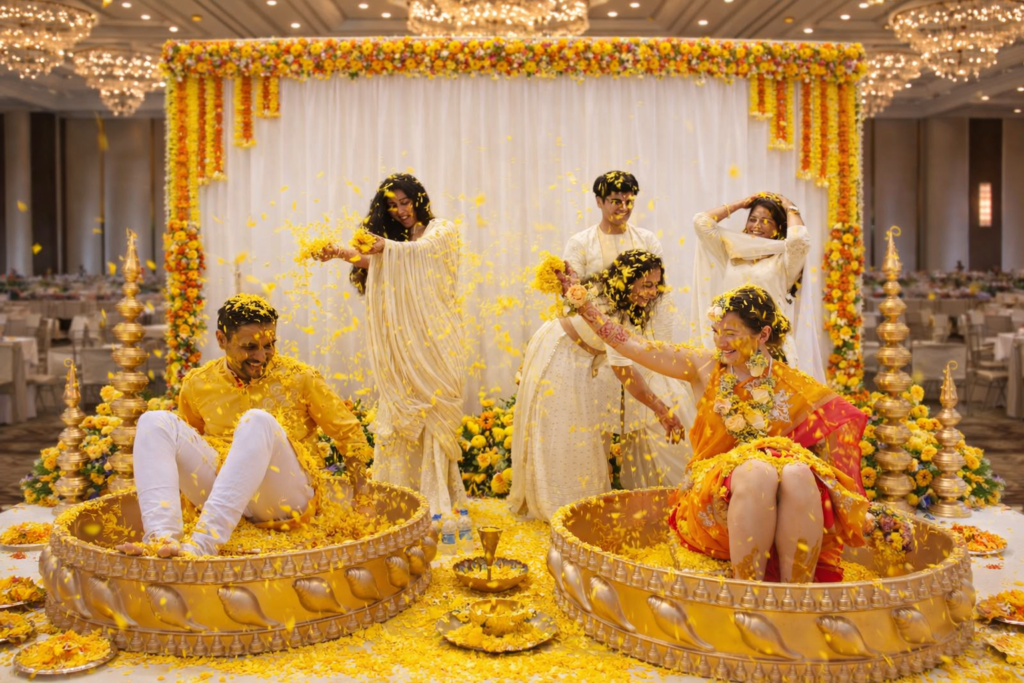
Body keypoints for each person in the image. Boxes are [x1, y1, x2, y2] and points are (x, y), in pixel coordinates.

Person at [558, 275, 868, 583]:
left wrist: (864, 512)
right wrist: (583, 304)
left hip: (785, 501)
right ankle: (750, 592)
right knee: (756, 470)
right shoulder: (703, 368)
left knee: (799, 473)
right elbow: (633, 345)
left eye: (730, 333)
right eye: (716, 332)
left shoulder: (795, 385)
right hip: (715, 494)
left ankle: (795, 596)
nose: (720, 342)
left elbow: (826, 455)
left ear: (763, 334)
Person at [121, 294, 370, 557]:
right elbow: (188, 446)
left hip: (284, 499)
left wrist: (364, 501)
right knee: (154, 420)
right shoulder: (198, 383)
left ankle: (201, 546)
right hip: (226, 499)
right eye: (250, 347)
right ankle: (161, 540)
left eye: (270, 345)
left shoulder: (299, 378)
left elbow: (350, 434)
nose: (262, 357)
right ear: (221, 340)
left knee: (257, 421)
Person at [316, 173, 468, 514]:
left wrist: (387, 247)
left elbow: (421, 253)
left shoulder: (440, 230)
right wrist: (341, 252)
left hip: (436, 342)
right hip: (405, 345)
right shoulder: (401, 240)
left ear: (419, 198)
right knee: (401, 416)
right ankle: (402, 497)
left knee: (433, 416)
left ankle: (437, 503)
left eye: (405, 202)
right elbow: (380, 263)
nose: (401, 211)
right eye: (393, 206)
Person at [509, 250, 690, 521]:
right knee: (565, 430)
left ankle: (576, 505)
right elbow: (625, 373)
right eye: (647, 285)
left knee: (583, 432)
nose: (653, 293)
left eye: (656, 285)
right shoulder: (610, 308)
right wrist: (661, 410)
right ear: (628, 281)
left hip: (582, 360)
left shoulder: (620, 303)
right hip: (560, 352)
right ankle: (560, 507)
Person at [563, 171, 692, 487]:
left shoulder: (647, 239)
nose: (623, 207)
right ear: (598, 201)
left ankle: (635, 485)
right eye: (615, 201)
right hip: (591, 342)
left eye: (628, 200)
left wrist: (659, 351)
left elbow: (657, 292)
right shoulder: (580, 242)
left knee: (640, 417)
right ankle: (599, 485)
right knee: (596, 424)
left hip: (634, 337)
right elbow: (572, 293)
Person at [690, 192, 824, 382]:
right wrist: (740, 203)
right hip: (730, 344)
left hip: (769, 343)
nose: (756, 226)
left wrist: (789, 206)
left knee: (771, 404)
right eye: (752, 219)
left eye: (765, 221)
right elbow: (701, 223)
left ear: (778, 227)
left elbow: (799, 240)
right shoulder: (732, 252)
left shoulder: (785, 258)